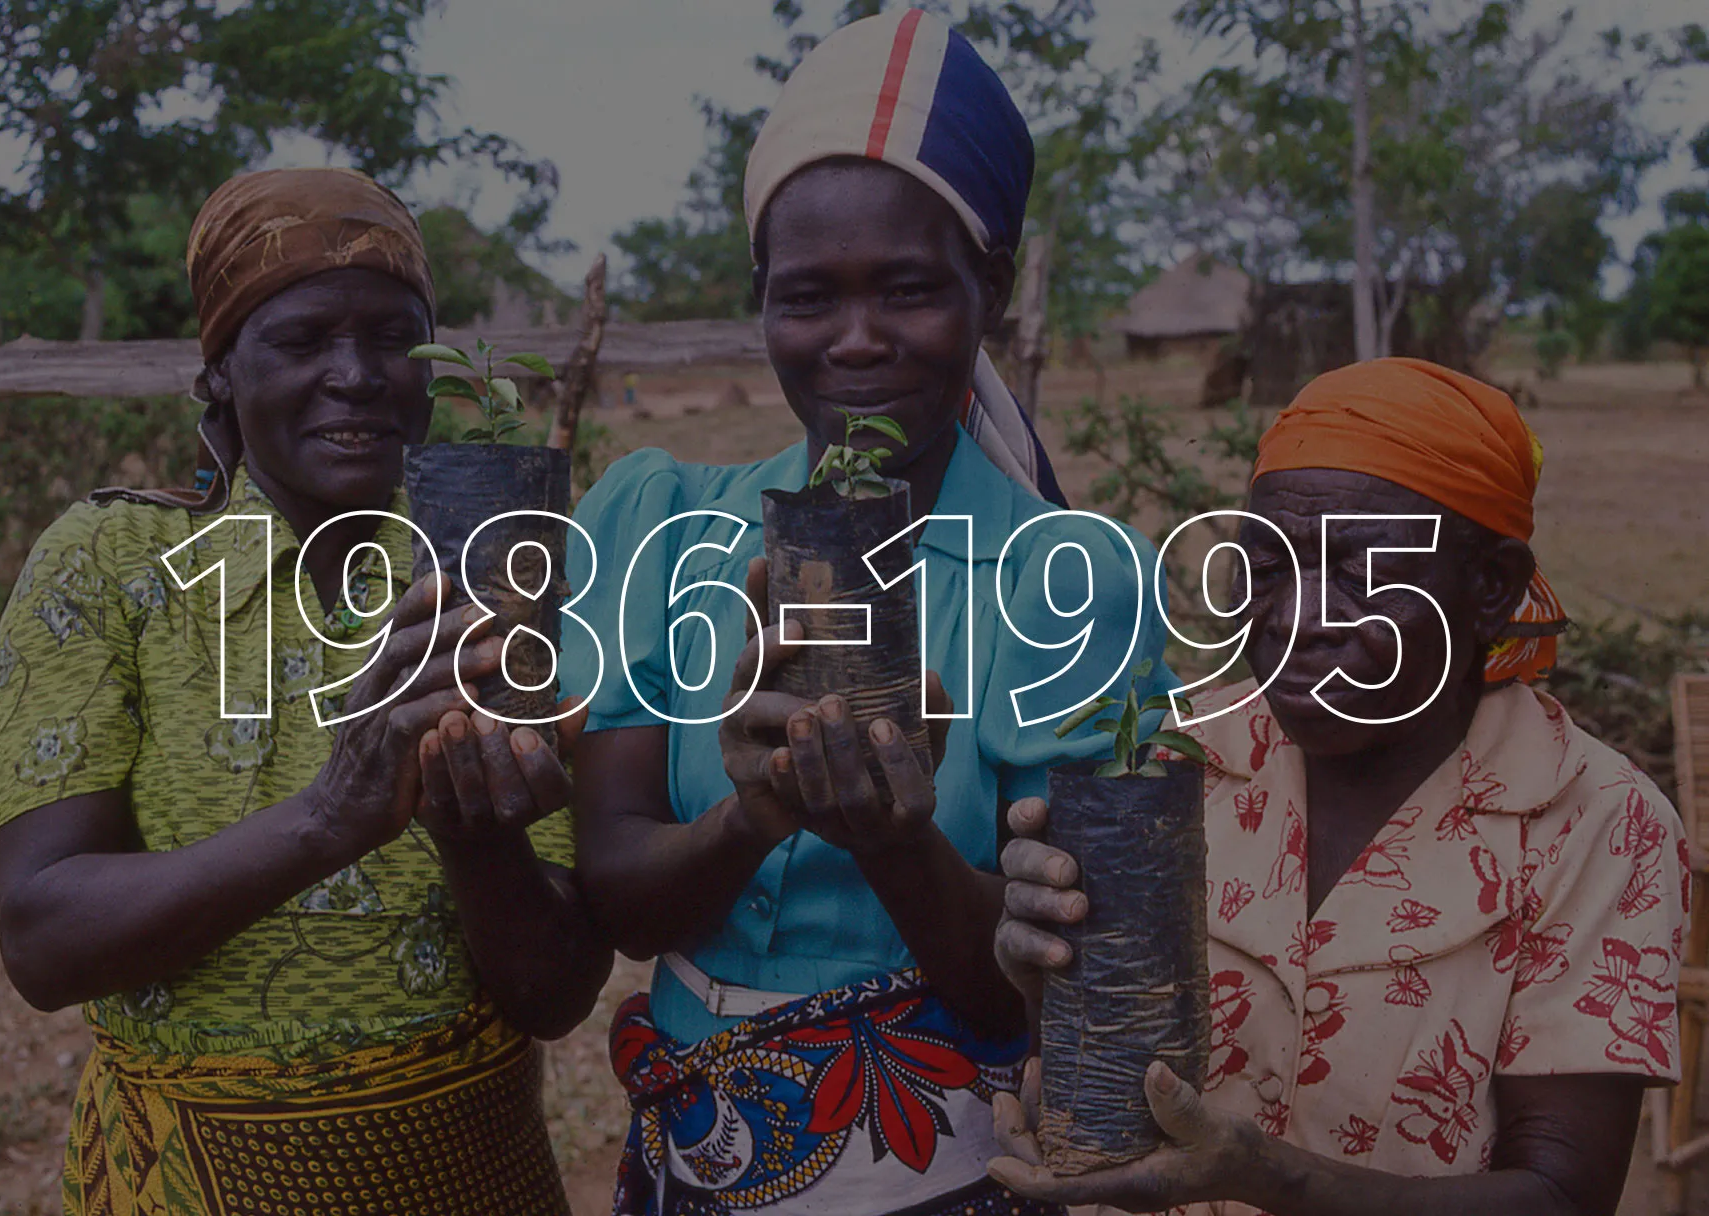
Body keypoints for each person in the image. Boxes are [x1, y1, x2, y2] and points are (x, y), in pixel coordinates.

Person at [560, 12, 1169, 1215]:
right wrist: (755, 816)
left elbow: (1050, 998)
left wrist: (896, 841)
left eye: (907, 290)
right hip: (692, 1172)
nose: (856, 341)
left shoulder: (1070, 581)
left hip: (952, 1181)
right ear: (760, 302)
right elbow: (621, 900)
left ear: (987, 288)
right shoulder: (666, 525)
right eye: (808, 298)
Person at [0, 167, 610, 1216]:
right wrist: (329, 818)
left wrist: (475, 831)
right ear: (219, 373)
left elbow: (555, 992)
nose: (355, 375)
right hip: (187, 1185)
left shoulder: (493, 579)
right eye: (301, 341)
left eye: (394, 338)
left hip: (474, 1178)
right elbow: (42, 937)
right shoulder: (115, 565)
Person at [988, 358, 1687, 1216]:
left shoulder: (1594, 824)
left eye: (1362, 571)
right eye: (1269, 567)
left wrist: (1264, 1175)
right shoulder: (1171, 766)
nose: (1294, 619)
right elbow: (1094, 1078)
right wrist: (1041, 972)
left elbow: (1561, 1197)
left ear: (1490, 587)